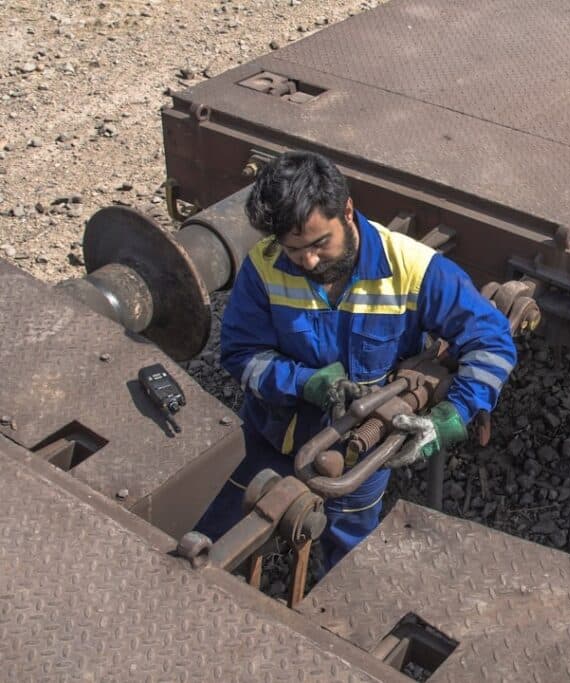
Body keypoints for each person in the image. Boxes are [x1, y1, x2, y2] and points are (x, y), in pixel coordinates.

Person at [196, 150, 517, 569]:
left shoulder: (414, 269)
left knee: (348, 556)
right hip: (273, 436)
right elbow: (241, 354)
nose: (308, 261)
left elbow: (491, 343)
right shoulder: (264, 267)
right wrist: (306, 382)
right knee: (219, 534)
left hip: (361, 451)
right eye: (295, 250)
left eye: (318, 244)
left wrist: (453, 416)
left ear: (347, 211)